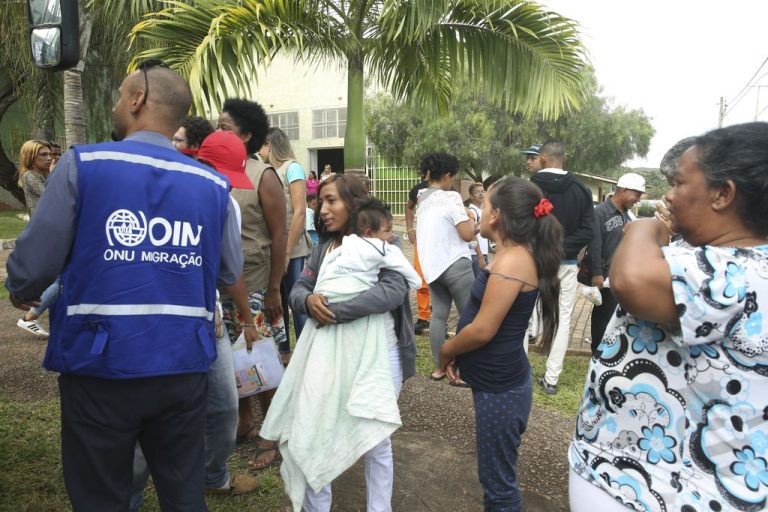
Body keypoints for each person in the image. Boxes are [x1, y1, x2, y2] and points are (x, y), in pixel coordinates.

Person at [5, 62, 243, 510]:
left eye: (119, 96)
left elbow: (32, 266)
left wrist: (20, 288)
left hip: (101, 366)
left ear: (137, 100)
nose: (116, 105)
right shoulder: (213, 185)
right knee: (184, 493)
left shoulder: (83, 166)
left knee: (101, 495)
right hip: (183, 365)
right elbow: (228, 272)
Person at [569, 122, 768, 512]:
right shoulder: (732, 263)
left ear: (723, 194)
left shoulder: (735, 272)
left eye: (678, 184)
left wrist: (648, 228)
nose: (669, 196)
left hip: (660, 489)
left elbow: (631, 280)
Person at [256, 174, 417, 511]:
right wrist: (307, 301)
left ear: (353, 202)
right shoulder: (323, 249)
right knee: (316, 430)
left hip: (379, 355)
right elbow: (298, 289)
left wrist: (335, 311)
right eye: (321, 202)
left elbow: (391, 292)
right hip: (326, 356)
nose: (322, 210)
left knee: (376, 437)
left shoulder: (381, 241)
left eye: (332, 201)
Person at [130, 130, 260, 506]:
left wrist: (245, 317)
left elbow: (229, 272)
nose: (225, 184)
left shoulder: (225, 202)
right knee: (147, 413)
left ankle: (212, 475)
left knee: (224, 405)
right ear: (200, 162)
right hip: (156, 318)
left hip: (207, 319)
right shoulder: (161, 193)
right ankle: (129, 496)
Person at [439, 176, 563, 511]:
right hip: (496, 384)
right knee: (494, 477)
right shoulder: (514, 256)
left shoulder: (513, 262)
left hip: (501, 391)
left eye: (484, 205)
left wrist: (447, 350)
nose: (478, 211)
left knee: (498, 485)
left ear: (495, 216)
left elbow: (483, 330)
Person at [216, 97, 289, 443]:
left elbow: (279, 235)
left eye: (225, 128)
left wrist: (274, 289)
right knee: (233, 357)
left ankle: (272, 430)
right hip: (222, 285)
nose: (218, 132)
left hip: (257, 282)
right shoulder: (213, 170)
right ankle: (244, 420)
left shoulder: (263, 175)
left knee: (259, 356)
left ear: (246, 136)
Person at [530, 139, 594, 395]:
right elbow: (588, 230)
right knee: (563, 319)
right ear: (563, 158)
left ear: (543, 157)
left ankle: (519, 372)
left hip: (531, 262)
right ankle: (552, 378)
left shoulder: (530, 187)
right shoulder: (581, 189)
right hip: (566, 264)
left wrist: (544, 247)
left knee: (522, 315)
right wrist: (562, 248)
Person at [416, 152, 477, 383]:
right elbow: (467, 234)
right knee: (470, 317)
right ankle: (464, 370)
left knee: (438, 317)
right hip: (456, 265)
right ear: (447, 175)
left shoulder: (422, 199)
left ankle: (439, 367)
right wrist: (472, 219)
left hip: (432, 268)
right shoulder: (451, 197)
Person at [259, 127, 311, 356]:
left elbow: (300, 211)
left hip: (293, 249)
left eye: (261, 145)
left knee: (296, 302)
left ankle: (304, 354)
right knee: (276, 303)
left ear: (270, 144)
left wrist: (287, 251)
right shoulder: (269, 170)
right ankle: (283, 352)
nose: (258, 150)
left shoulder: (293, 168)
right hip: (273, 249)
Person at [587, 172, 645, 352]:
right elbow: (594, 244)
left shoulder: (627, 215)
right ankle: (597, 352)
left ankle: (609, 351)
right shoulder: (600, 212)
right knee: (603, 317)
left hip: (620, 276)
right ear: (624, 190)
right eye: (637, 194)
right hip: (605, 276)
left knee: (615, 317)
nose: (638, 199)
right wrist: (596, 273)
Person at [14, 140, 55, 337]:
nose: (49, 158)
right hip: (46, 234)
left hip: (51, 233)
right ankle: (29, 317)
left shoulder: (43, 176)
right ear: (31, 158)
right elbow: (53, 196)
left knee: (61, 278)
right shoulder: (30, 176)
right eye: (43, 155)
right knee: (64, 278)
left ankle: (32, 316)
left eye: (49, 154)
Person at [405, 168, 431, 334]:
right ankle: (423, 317)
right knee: (421, 279)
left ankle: (439, 317)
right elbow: (409, 207)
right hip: (421, 241)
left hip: (440, 242)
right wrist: (410, 229)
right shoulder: (418, 189)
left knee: (439, 280)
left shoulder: (448, 188)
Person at [466, 182, 489, 277]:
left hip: (482, 253)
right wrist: (480, 256)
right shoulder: (472, 211)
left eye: (482, 191)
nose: (481, 194)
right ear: (471, 196)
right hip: (476, 255)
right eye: (477, 192)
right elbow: (472, 234)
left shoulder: (480, 211)